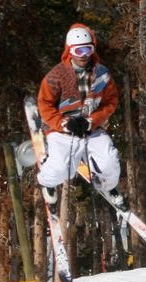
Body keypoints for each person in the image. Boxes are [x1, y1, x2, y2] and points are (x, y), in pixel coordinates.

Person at [37, 24, 123, 204]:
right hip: (62, 131)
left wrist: (92, 121)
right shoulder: (55, 76)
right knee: (62, 170)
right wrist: (63, 123)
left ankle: (108, 185)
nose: (83, 55)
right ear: (70, 51)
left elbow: (110, 102)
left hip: (91, 128)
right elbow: (45, 105)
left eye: (87, 49)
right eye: (78, 50)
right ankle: (47, 181)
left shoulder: (103, 75)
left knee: (110, 162)